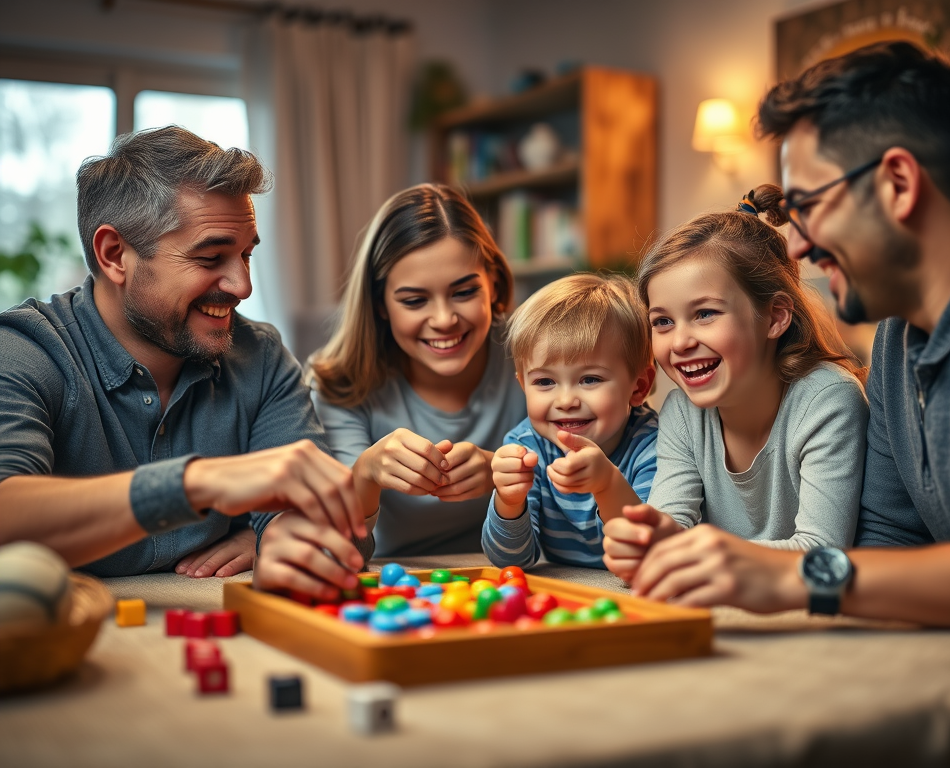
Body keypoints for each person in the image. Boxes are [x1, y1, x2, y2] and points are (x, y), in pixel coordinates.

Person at [607, 41, 950, 633]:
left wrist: (790, 575)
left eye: (810, 204)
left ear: (898, 184)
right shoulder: (897, 341)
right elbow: (886, 545)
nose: (797, 245)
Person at [0, 126, 366, 598]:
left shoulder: (261, 357)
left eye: (246, 255)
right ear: (115, 255)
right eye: (211, 257)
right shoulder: (25, 350)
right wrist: (195, 484)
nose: (242, 286)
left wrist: (281, 538)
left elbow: (322, 522)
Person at [602, 186, 867, 584]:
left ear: (775, 317)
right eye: (663, 321)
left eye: (705, 313)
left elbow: (822, 552)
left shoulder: (828, 401)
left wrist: (686, 554)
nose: (680, 342)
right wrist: (647, 545)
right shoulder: (683, 413)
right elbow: (668, 527)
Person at [306, 183, 526, 558]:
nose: (444, 319)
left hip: (506, 573)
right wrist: (366, 473)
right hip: (394, 579)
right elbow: (335, 549)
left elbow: (583, 486)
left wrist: (502, 471)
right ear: (380, 304)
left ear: (492, 283)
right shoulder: (340, 383)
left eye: (464, 292)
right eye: (414, 300)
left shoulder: (532, 353)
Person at [483, 273, 658, 568]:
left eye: (590, 379)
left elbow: (650, 557)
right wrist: (509, 501)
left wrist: (607, 484)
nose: (565, 401)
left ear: (639, 386)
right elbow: (512, 561)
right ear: (523, 386)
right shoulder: (526, 446)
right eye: (545, 382)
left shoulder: (654, 446)